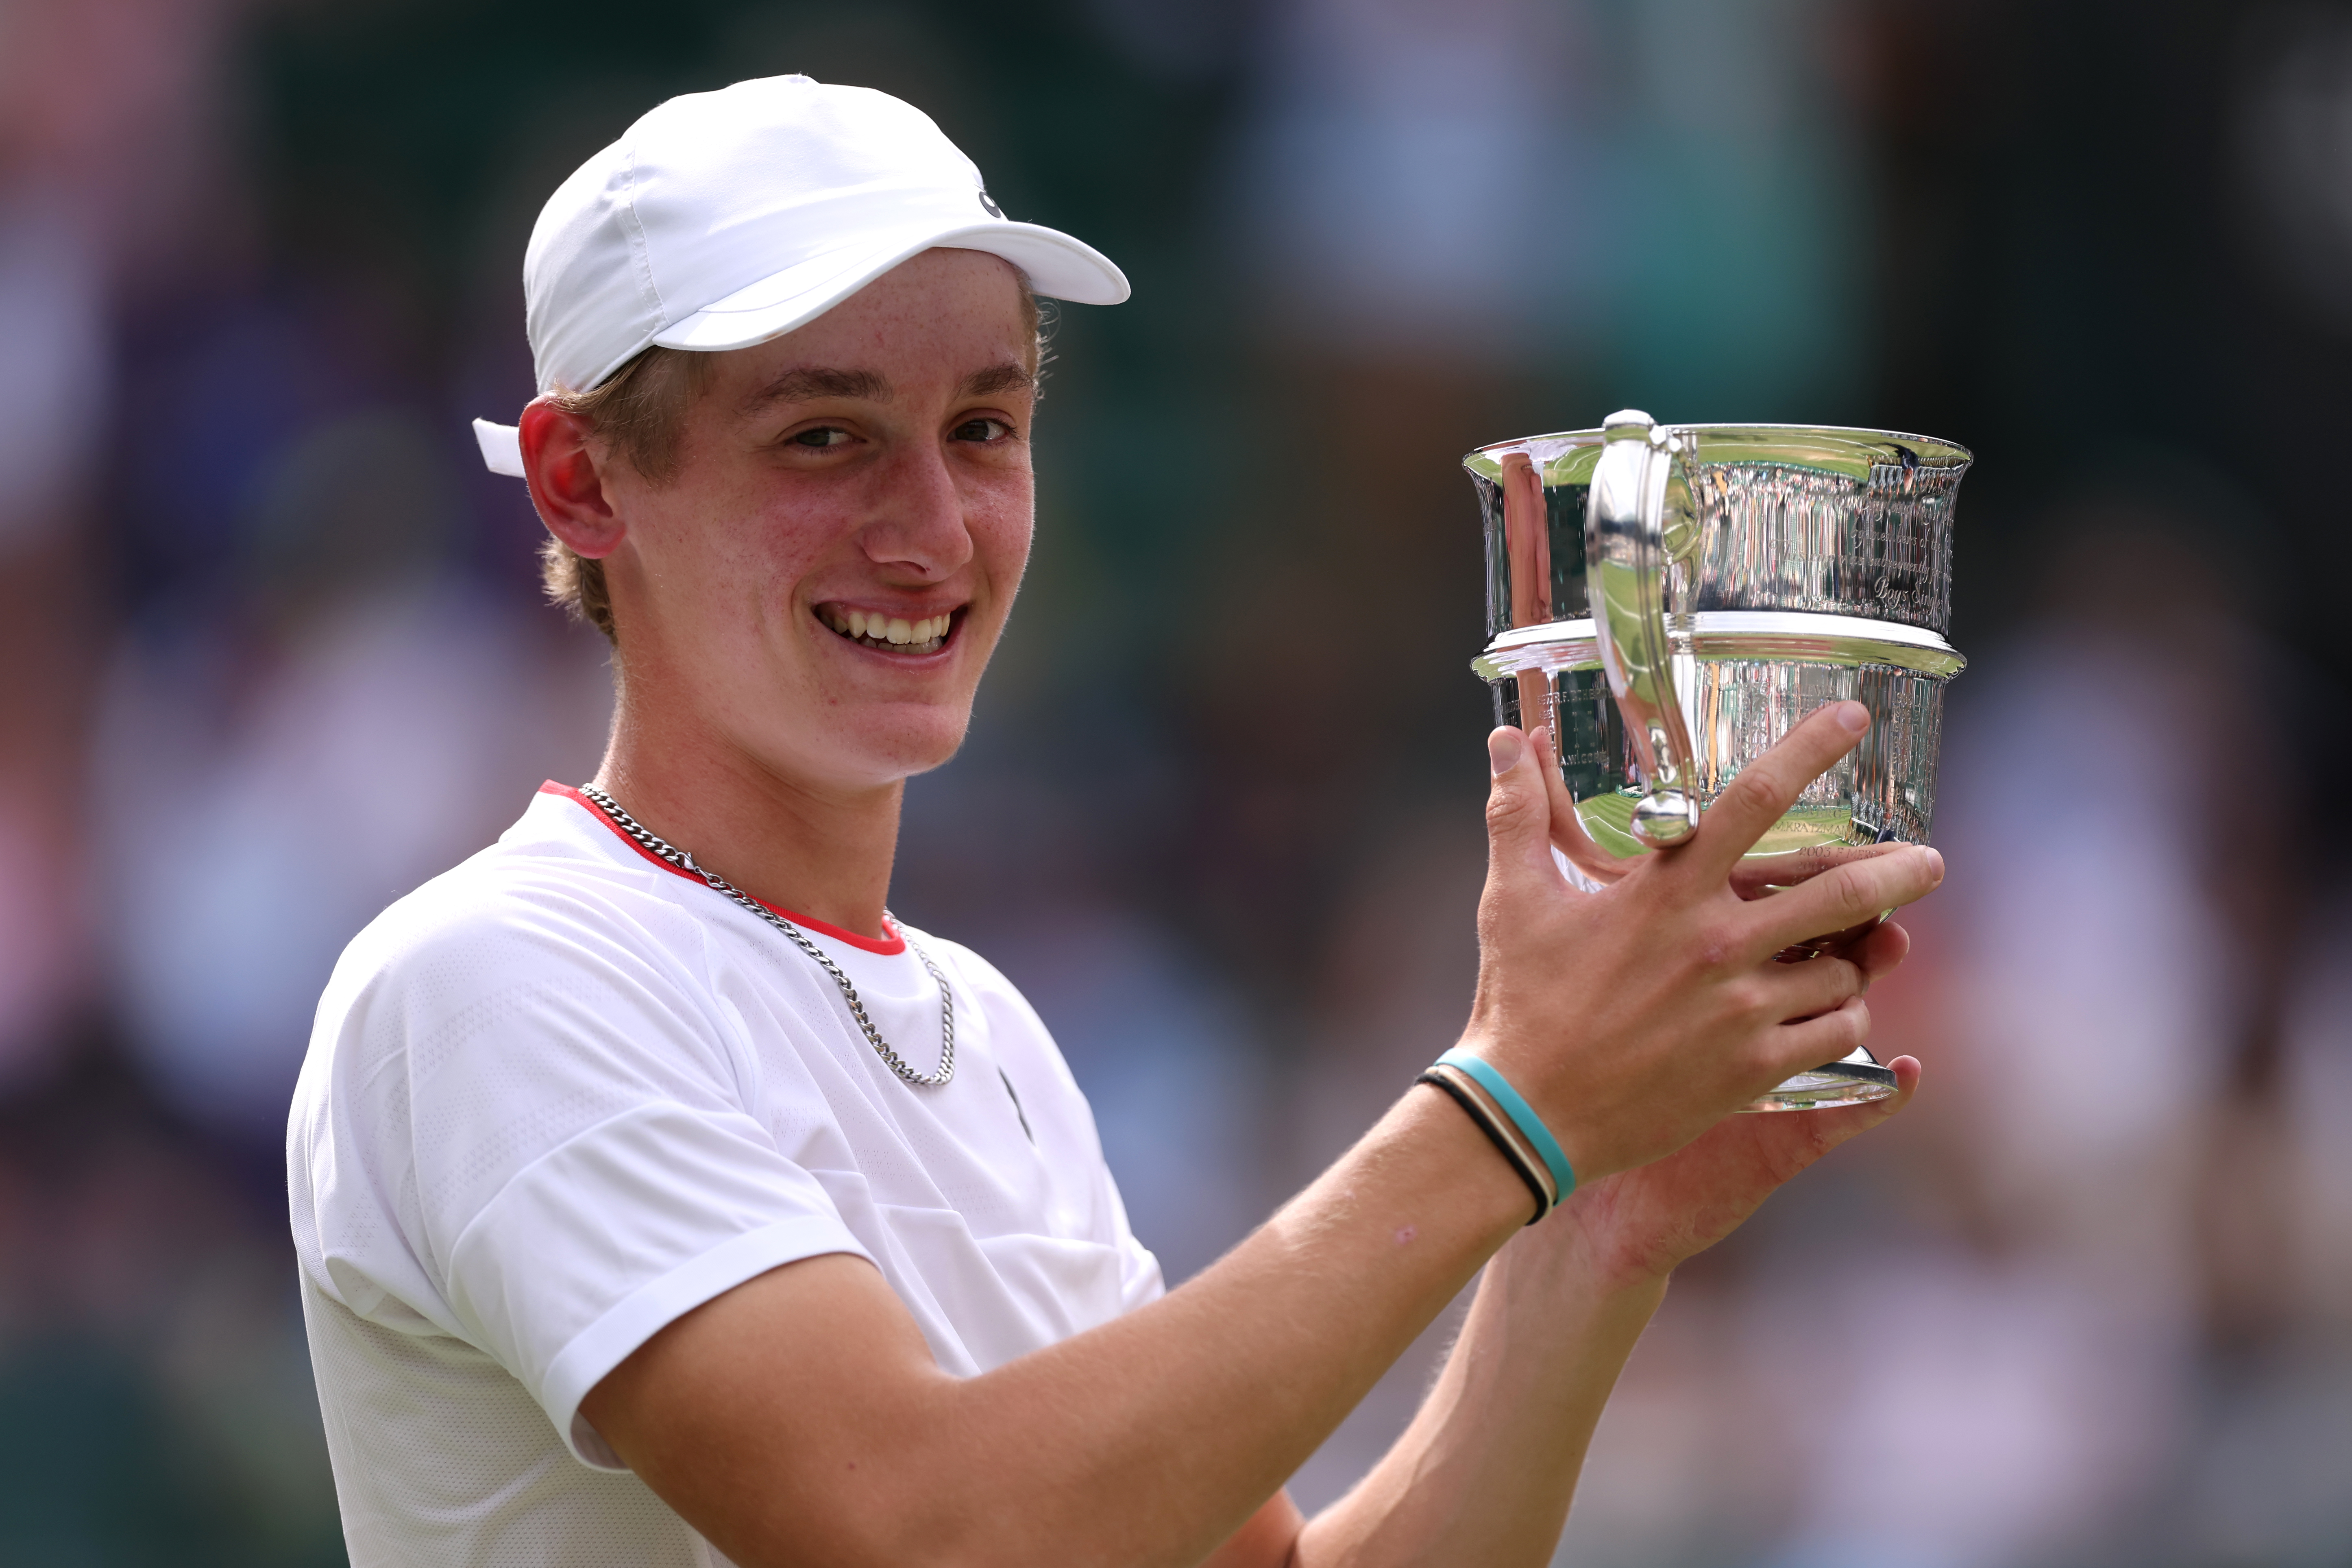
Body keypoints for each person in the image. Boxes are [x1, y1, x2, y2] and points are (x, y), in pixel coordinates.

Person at [287, 76, 1943, 1568]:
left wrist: (1585, 1231)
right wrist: (1515, 1107)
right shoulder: (492, 976)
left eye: (982, 429)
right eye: (825, 437)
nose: (933, 529)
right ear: (581, 483)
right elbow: (917, 1536)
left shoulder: (990, 1033)